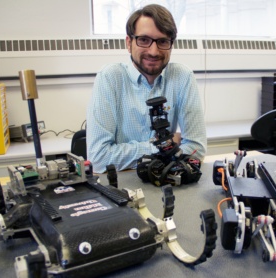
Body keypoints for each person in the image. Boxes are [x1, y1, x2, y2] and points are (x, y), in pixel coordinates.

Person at [86, 4, 207, 173]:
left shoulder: (182, 77)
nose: (153, 51)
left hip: (166, 180)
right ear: (129, 43)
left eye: (163, 41)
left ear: (171, 45)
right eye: (144, 40)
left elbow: (196, 149)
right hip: (122, 183)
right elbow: (98, 158)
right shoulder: (109, 78)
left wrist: (139, 154)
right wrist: (164, 146)